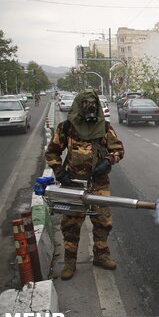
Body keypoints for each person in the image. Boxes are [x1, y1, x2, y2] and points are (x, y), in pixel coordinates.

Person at [45, 88, 125, 280]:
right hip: (73, 183)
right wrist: (59, 171)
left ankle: (101, 255)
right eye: (86, 104)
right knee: (71, 224)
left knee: (103, 222)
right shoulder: (66, 127)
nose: (90, 107)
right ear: (79, 105)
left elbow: (118, 150)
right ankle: (70, 263)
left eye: (93, 104)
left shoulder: (105, 128)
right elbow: (52, 152)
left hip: (99, 183)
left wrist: (108, 160)